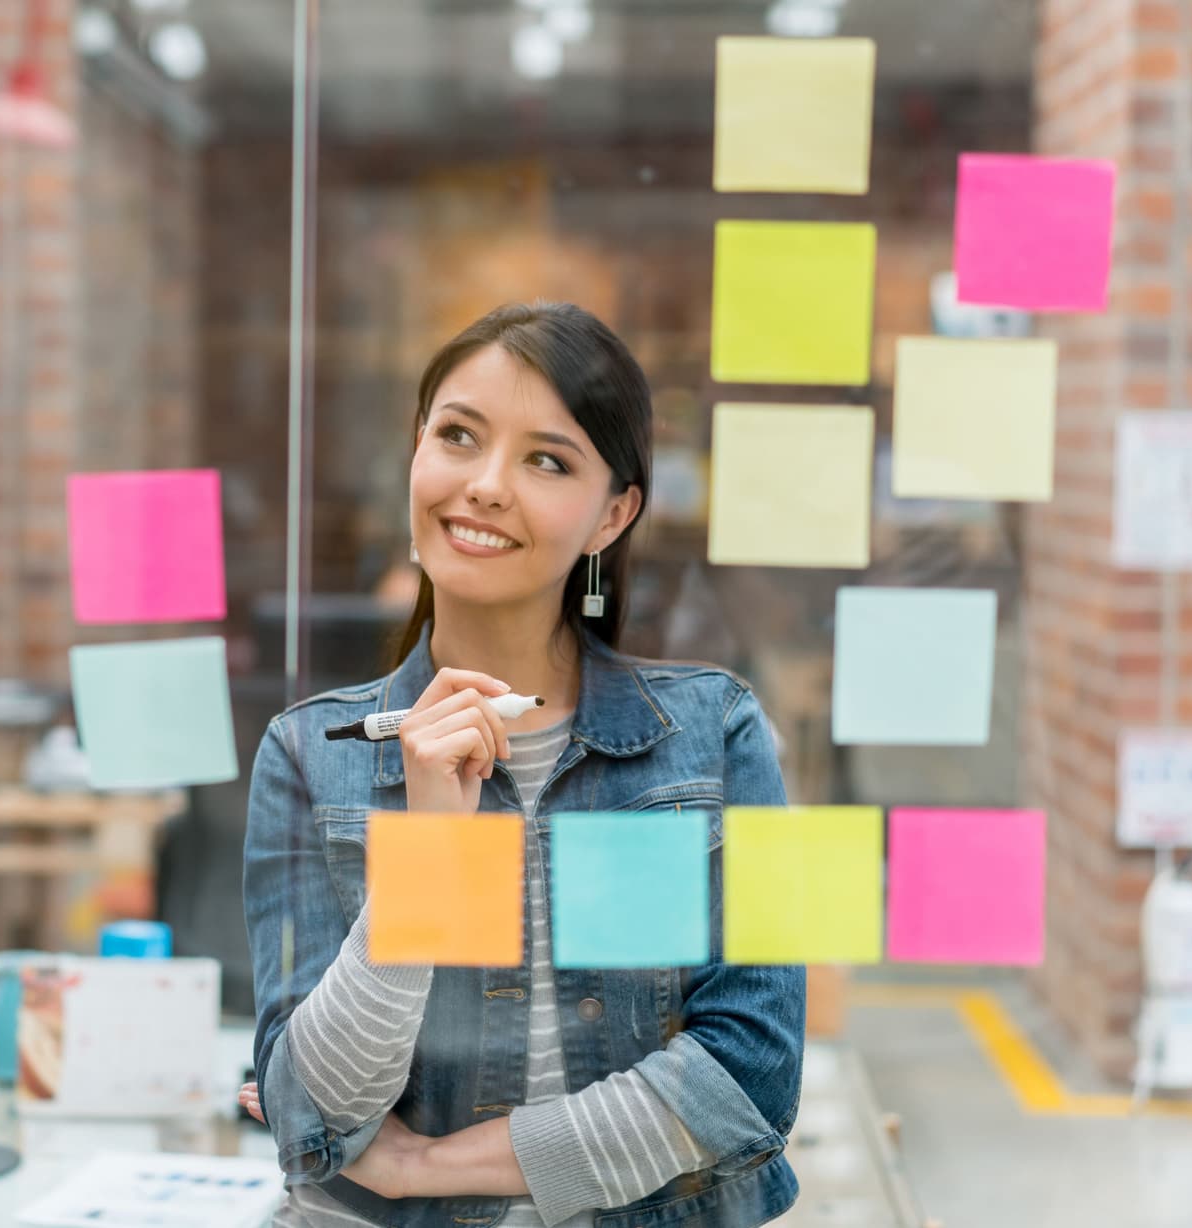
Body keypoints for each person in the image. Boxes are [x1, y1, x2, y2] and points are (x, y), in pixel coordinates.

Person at [239, 302, 805, 1228]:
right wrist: (430, 855)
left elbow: (747, 1079)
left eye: (548, 460)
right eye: (458, 436)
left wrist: (425, 1166)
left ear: (611, 515)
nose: (487, 485)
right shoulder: (310, 756)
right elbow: (315, 1115)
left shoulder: (716, 736)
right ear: (416, 453)